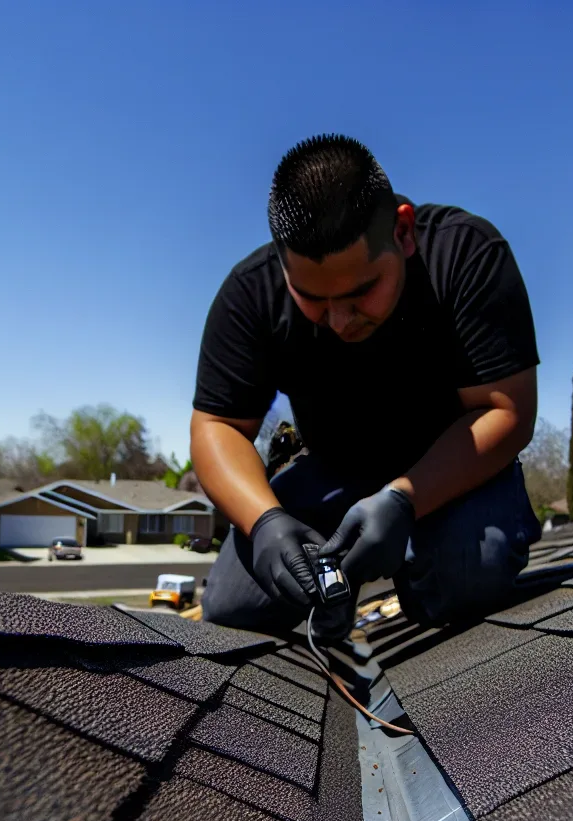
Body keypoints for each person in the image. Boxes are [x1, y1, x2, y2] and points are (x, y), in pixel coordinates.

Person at [191, 133, 542, 638]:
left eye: (361, 292)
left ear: (403, 231)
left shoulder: (467, 253)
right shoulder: (250, 292)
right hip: (330, 468)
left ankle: (419, 565)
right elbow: (215, 426)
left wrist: (403, 500)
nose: (338, 320)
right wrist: (264, 520)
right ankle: (336, 582)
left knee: (466, 577)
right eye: (311, 297)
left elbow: (507, 412)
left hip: (453, 468)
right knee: (233, 607)